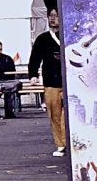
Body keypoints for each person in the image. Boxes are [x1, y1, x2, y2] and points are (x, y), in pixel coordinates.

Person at [29, 14, 68, 159]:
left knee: (67, 114)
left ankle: (69, 142)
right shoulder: (43, 38)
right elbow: (35, 57)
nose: (53, 19)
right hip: (51, 81)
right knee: (54, 113)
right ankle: (60, 144)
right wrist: (33, 74)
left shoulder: (68, 35)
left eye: (56, 16)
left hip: (68, 82)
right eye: (50, 16)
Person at [0, 41, 22, 119]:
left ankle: (9, 112)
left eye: (0, 49)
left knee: (10, 90)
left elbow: (12, 72)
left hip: (6, 82)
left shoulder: (7, 58)